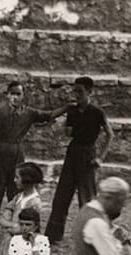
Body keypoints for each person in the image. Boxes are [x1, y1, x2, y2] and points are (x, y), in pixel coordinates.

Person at [0, 81, 66, 240]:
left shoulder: (28, 113)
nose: (15, 97)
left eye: (18, 94)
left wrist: (67, 108)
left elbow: (48, 115)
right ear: (7, 94)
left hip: (16, 154)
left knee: (16, 193)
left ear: (23, 96)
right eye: (12, 93)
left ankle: (18, 227)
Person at [43, 77, 113, 245]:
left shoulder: (97, 112)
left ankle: (91, 237)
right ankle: (53, 236)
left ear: (89, 92)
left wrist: (100, 158)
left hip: (88, 155)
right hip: (73, 153)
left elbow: (110, 134)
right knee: (62, 195)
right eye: (75, 91)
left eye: (80, 91)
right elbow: (67, 132)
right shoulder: (72, 111)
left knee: (87, 198)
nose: (77, 95)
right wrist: (64, 120)